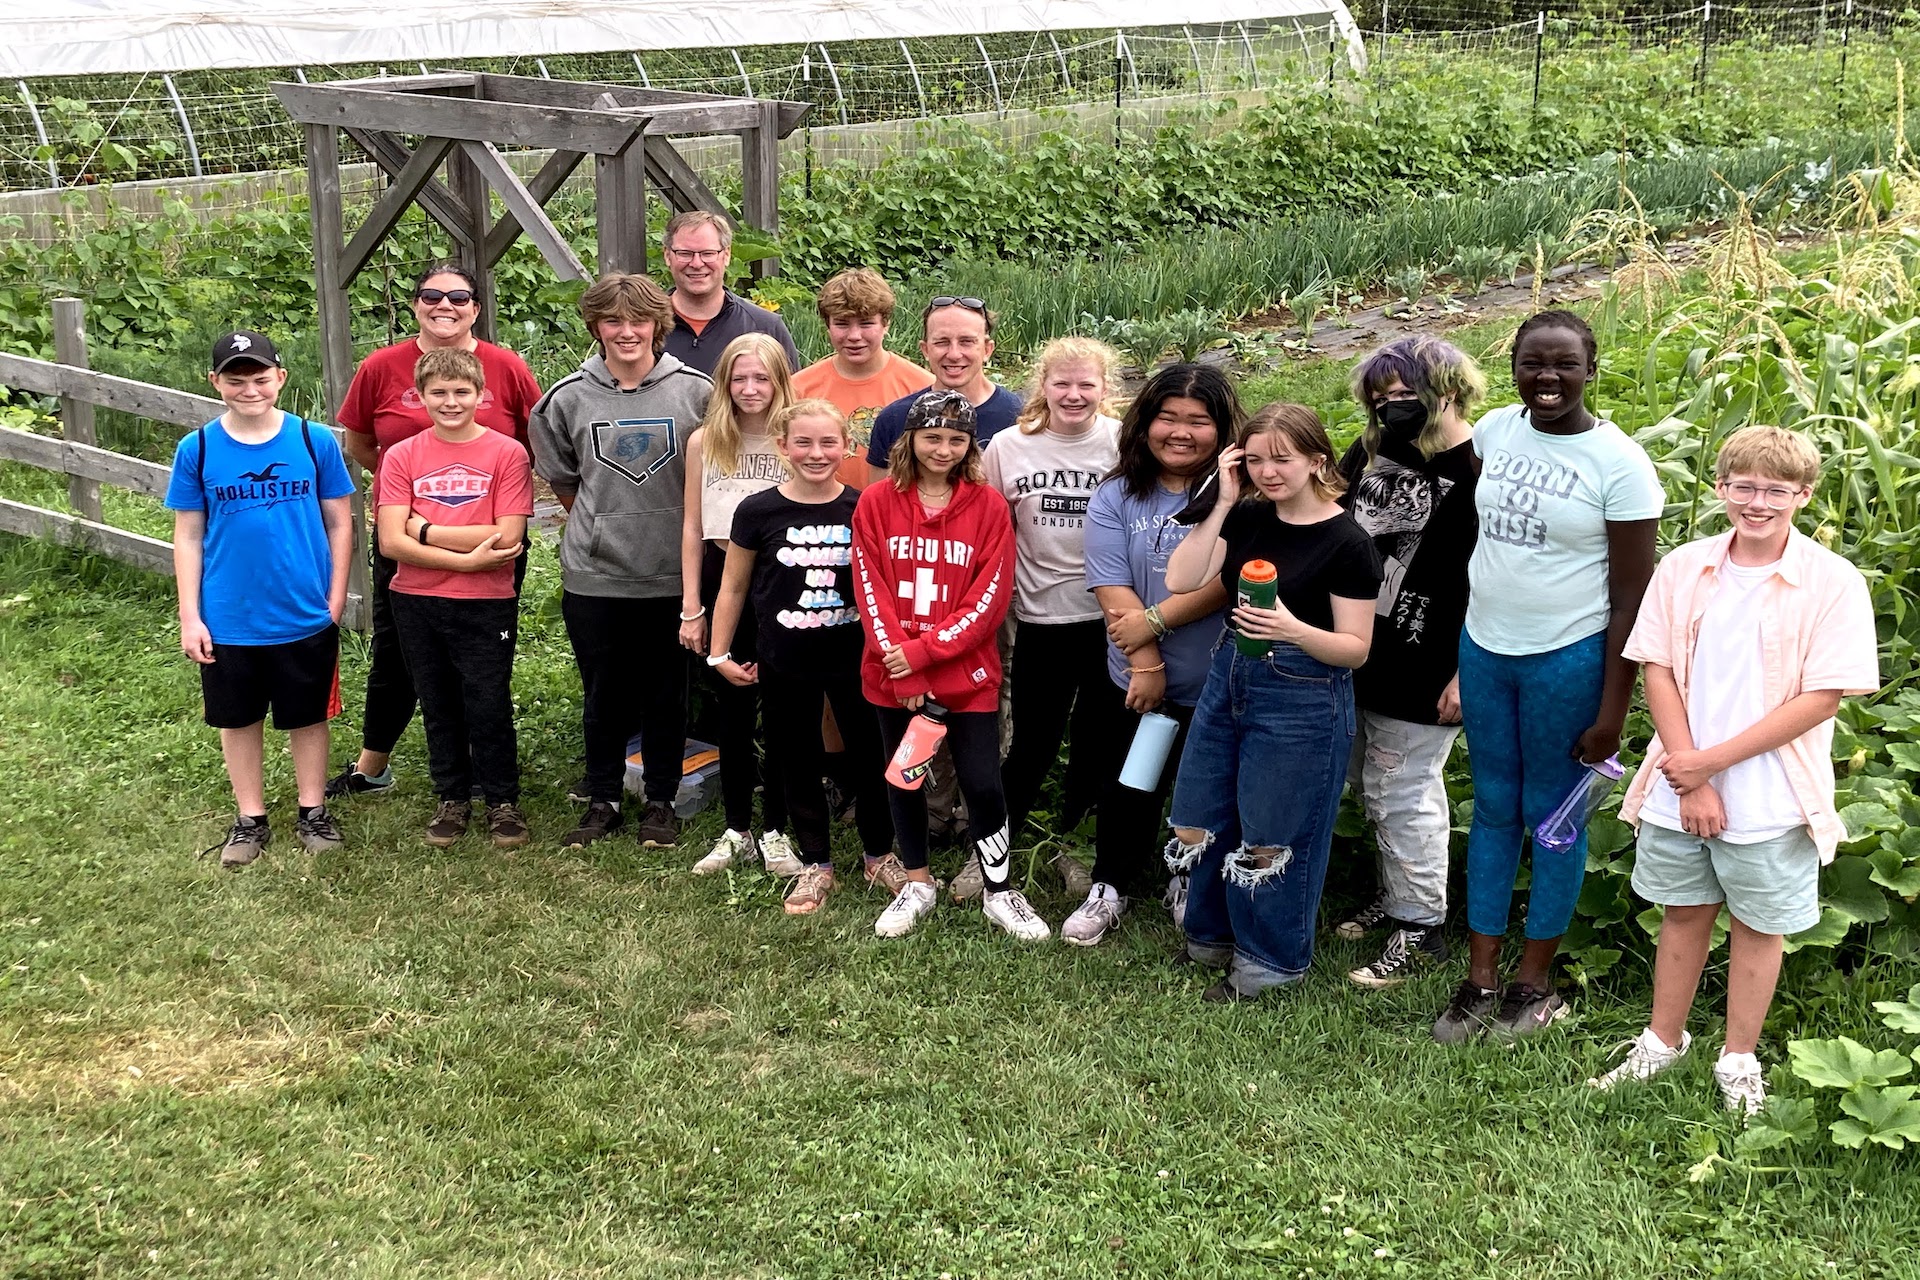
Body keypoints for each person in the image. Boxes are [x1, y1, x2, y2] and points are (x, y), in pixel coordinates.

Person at [1591, 426, 1877, 1114]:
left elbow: (1822, 696)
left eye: (1777, 490)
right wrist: (1690, 772)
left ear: (1804, 495)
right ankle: (1662, 1042)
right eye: (1744, 486)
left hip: (1770, 791)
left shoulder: (1832, 582)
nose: (1759, 502)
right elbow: (1656, 665)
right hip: (1682, 776)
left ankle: (1738, 1059)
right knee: (1683, 913)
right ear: (1721, 488)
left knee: (1758, 926)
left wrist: (1710, 766)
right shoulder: (1686, 566)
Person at [1433, 309, 1662, 1044]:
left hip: (1569, 655)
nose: (1548, 377)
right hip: (1486, 648)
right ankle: (1479, 977)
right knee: (1495, 808)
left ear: (1591, 369)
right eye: (1534, 362)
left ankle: (1536, 984)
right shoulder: (1496, 431)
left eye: (1565, 363)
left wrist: (1612, 711)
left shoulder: (1620, 466)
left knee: (1554, 822)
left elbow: (1632, 599)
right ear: (1515, 368)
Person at [1160, 404, 1382, 1000]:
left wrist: (1292, 629)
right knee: (1200, 816)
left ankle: (1268, 964)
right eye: (1255, 458)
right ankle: (1210, 939)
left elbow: (1355, 649)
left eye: (1282, 459)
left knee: (1274, 832)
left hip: (1304, 693)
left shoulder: (1348, 542)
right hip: (1230, 676)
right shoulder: (1249, 517)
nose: (1267, 471)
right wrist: (1225, 501)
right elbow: (1181, 580)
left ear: (1316, 460)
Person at [329, 261, 542, 799]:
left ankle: (484, 768)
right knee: (398, 651)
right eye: (431, 295)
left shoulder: (505, 366)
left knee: (482, 660)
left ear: (476, 306)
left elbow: (536, 437)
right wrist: (410, 510)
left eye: (458, 297)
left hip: (487, 535)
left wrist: (431, 528)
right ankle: (372, 765)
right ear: (416, 301)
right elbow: (358, 441)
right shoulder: (382, 367)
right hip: (406, 538)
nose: (444, 305)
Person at [852, 390, 1047, 941]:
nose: (943, 449)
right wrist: (904, 668)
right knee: (906, 779)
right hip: (893, 677)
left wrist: (922, 655)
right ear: (908, 440)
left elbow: (988, 599)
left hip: (967, 679)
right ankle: (918, 882)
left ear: (970, 446)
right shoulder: (877, 503)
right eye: (932, 437)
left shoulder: (987, 506)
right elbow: (870, 588)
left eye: (956, 440)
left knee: (984, 783)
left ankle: (1000, 890)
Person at [531, 273, 712, 852]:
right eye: (613, 321)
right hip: (597, 575)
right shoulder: (567, 399)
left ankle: (661, 799)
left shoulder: (697, 394)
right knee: (602, 693)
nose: (627, 332)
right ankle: (603, 797)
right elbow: (565, 482)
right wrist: (607, 520)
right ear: (596, 328)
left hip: (672, 575)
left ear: (660, 327)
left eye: (639, 321)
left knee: (667, 692)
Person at [166, 331, 355, 868]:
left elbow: (340, 522)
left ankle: (312, 810)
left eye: (259, 378)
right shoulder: (198, 448)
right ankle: (250, 818)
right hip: (229, 616)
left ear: (280, 379)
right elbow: (188, 534)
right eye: (235, 379)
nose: (249, 389)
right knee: (238, 717)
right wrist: (190, 615)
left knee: (308, 716)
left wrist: (335, 597)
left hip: (303, 609)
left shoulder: (312, 440)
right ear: (215, 382)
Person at [1334, 336, 1488, 987]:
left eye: (1403, 398)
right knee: (1373, 786)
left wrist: (1466, 670)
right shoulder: (1374, 450)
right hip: (1358, 647)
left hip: (1432, 661)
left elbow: (1501, 580)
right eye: (1379, 401)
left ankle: (1421, 927)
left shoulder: (1486, 468)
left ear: (1448, 390)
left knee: (1404, 792)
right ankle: (1397, 897)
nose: (1390, 411)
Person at [1067, 365, 1235, 946]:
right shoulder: (1118, 493)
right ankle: (1110, 882)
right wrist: (1145, 664)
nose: (1181, 432)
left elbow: (1230, 580)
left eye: (1198, 421)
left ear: (1222, 429)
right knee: (1130, 783)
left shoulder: (1235, 493)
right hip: (1139, 680)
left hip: (1216, 680)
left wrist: (1157, 620)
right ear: (1146, 423)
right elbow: (1110, 583)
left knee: (1203, 788)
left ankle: (1186, 880)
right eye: (1168, 417)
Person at [709, 400, 896, 915]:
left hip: (856, 659)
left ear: (847, 447)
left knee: (869, 754)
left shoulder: (864, 507)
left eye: (828, 442)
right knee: (796, 756)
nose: (817, 454)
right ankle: (816, 862)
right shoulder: (757, 510)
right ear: (783, 447)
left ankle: (879, 854)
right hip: (784, 658)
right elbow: (733, 587)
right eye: (804, 443)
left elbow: (886, 586)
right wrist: (718, 652)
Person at [980, 336, 1123, 896]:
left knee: (1097, 740)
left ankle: (1073, 845)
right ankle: (995, 844)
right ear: (1042, 386)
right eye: (1061, 383)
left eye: (1086, 383)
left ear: (1104, 389)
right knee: (1032, 741)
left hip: (1111, 618)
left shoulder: (1122, 444)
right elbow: (992, 530)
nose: (1073, 394)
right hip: (1040, 616)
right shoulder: (1009, 447)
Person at [373, 348, 534, 848]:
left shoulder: (508, 453)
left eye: (461, 392)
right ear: (420, 397)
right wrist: (464, 554)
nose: (450, 402)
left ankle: (502, 801)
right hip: (416, 600)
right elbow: (389, 542)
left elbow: (508, 539)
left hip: (487, 601)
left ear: (481, 395)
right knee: (438, 701)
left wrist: (422, 528)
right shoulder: (402, 456)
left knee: (487, 699)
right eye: (438, 393)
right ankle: (453, 798)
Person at [679, 333, 803, 878]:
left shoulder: (795, 442)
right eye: (740, 378)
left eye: (763, 378)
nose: (751, 389)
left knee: (780, 711)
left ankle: (776, 828)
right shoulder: (706, 442)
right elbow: (690, 526)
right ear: (724, 382)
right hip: (717, 579)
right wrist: (691, 606)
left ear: (781, 382)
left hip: (781, 584)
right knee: (730, 706)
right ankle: (736, 828)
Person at [791, 267, 933, 488]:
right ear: (827, 326)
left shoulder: (922, 387)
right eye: (842, 324)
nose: (854, 336)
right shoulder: (799, 388)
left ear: (886, 324)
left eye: (866, 323)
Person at [863, 296, 1023, 485]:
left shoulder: (1020, 417)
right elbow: (877, 506)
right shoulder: (894, 419)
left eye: (966, 341)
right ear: (925, 350)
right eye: (942, 342)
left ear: (987, 349)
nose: (954, 354)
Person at [659, 211, 801, 376]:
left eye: (708, 253)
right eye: (685, 254)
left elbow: (791, 397)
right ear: (667, 256)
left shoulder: (765, 327)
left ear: (726, 255)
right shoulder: (645, 327)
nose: (696, 263)